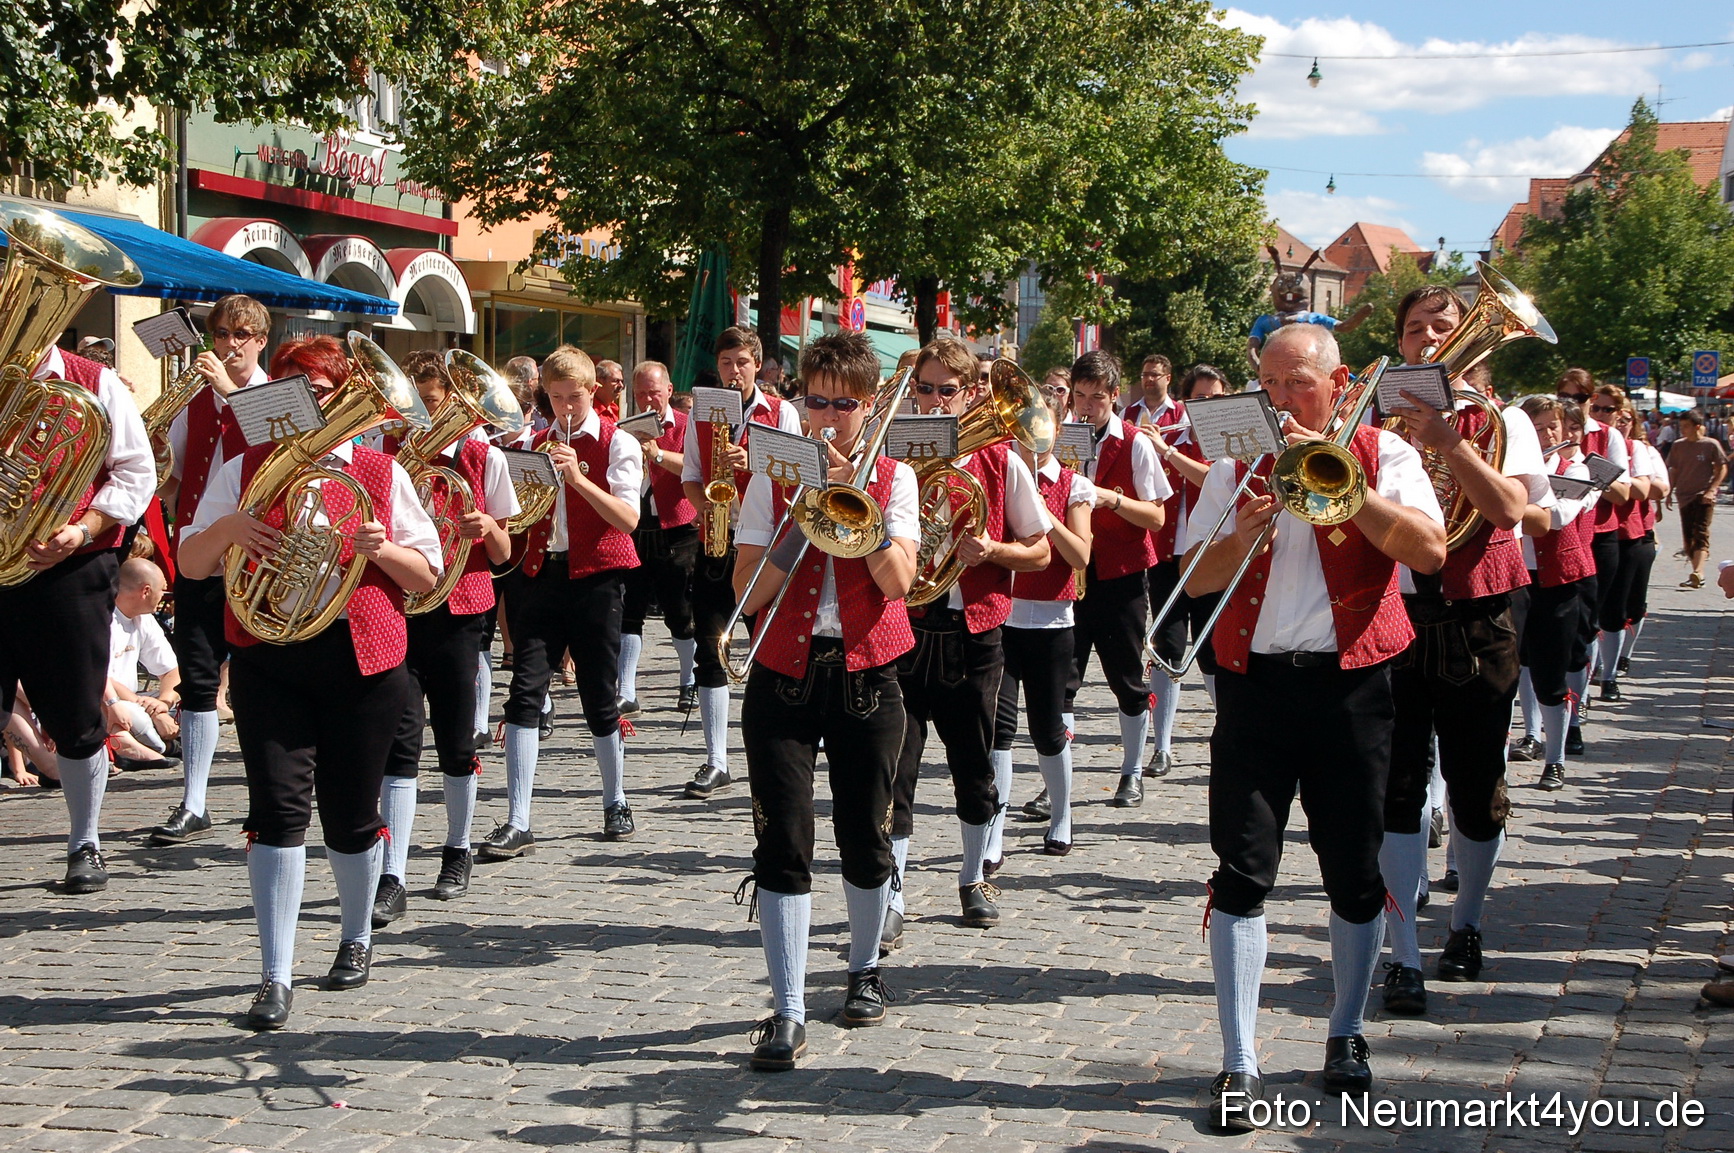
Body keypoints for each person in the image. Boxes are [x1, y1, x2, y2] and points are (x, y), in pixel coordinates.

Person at [1189, 324, 1445, 1129]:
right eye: (1269, 382)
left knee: (1354, 870)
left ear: (1336, 385)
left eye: (1298, 382)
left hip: (1351, 687)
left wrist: (1347, 491)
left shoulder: (1383, 453)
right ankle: (1239, 1060)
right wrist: (1243, 529)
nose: (1281, 398)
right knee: (1242, 867)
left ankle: (1347, 1030)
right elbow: (1196, 577)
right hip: (1255, 687)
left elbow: (1431, 552)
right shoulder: (1236, 465)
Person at [178, 334, 442, 1030]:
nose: (310, 404)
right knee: (275, 812)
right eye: (295, 391)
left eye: (322, 391)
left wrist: (381, 548)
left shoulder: (383, 474)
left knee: (352, 816)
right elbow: (193, 564)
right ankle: (274, 974)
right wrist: (232, 525)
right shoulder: (245, 465)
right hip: (269, 655)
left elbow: (429, 574)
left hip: (364, 658)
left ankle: (356, 936)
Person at [733, 330, 920, 1071]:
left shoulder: (897, 478)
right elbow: (749, 589)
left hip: (867, 672)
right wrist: (800, 515)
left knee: (866, 834)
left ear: (868, 408)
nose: (829, 417)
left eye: (844, 405)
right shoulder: (772, 474)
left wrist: (855, 506)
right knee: (782, 838)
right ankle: (785, 1007)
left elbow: (898, 579)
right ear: (800, 401)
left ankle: (865, 968)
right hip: (783, 668)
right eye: (817, 402)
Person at [1377, 284, 1553, 1021]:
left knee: (1476, 783)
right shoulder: (1378, 411)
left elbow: (1515, 511)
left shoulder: (1504, 418)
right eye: (1416, 328)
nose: (1429, 339)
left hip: (1478, 614)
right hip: (1394, 611)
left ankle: (1467, 921)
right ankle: (1403, 951)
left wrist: (1449, 441)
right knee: (1395, 785)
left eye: (1444, 327)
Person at [887, 336, 1051, 944]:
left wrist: (992, 550)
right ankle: (892, 891)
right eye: (923, 389)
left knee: (974, 762)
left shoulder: (1003, 460)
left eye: (945, 391)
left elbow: (1040, 551)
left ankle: (973, 876)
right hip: (905, 625)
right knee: (896, 767)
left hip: (973, 631)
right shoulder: (893, 454)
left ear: (972, 394)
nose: (932, 401)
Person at [0, 331, 153, 891]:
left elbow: (136, 471)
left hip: (70, 568)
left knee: (73, 711)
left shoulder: (95, 382)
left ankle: (84, 839)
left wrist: (83, 527)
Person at [373, 351, 520, 924]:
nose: (425, 416)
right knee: (400, 742)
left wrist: (487, 528)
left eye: (434, 404)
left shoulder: (486, 458)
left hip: (460, 610)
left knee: (458, 741)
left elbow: (505, 555)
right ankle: (393, 871)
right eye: (418, 404)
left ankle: (456, 848)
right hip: (403, 609)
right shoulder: (386, 455)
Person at [480, 345, 642, 855]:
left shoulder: (619, 444)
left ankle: (615, 798)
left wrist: (577, 479)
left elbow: (628, 519)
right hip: (541, 576)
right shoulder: (534, 441)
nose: (567, 408)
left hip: (598, 578)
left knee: (599, 694)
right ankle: (517, 817)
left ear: (593, 392)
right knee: (525, 691)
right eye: (556, 399)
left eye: (575, 397)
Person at [151, 294, 274, 848]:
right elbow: (171, 475)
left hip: (260, 554)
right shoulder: (194, 399)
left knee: (258, 681)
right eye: (222, 334)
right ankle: (194, 800)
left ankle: (266, 795)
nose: (230, 345)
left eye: (242, 335)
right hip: (199, 550)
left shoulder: (278, 395)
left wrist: (231, 394)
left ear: (261, 340)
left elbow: (283, 453)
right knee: (198, 678)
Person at [680, 327, 803, 801]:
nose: (735, 371)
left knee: (771, 644)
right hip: (718, 538)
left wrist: (751, 456)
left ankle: (779, 750)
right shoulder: (702, 412)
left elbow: (796, 473)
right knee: (711, 646)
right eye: (727, 363)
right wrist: (710, 512)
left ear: (758, 364)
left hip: (767, 541)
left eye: (742, 363)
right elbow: (692, 474)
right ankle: (716, 759)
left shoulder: (783, 412)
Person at [1063, 351, 1171, 807]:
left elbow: (1158, 517)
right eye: (1080, 397)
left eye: (1097, 399)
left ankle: (1131, 772)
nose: (1086, 407)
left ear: (1113, 396)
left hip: (1120, 576)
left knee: (1126, 679)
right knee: (1061, 682)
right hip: (1070, 571)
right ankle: (1057, 783)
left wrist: (1111, 499)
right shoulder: (1062, 437)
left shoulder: (1135, 443)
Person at [990, 434, 1093, 860]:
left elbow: (1081, 555)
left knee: (1048, 730)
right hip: (1002, 617)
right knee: (999, 730)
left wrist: (1044, 514)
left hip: (1052, 623)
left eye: (1041, 432)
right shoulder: (1004, 474)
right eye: (1023, 435)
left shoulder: (1074, 485)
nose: (1032, 443)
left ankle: (1062, 816)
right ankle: (992, 830)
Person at [1510, 396, 1596, 791]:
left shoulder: (1575, 467)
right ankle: (1530, 734)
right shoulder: (1511, 466)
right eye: (1538, 427)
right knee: (1520, 665)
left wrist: (1505, 501)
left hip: (1559, 580)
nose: (1546, 435)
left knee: (1551, 672)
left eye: (1552, 428)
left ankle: (1556, 758)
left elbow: (1558, 517)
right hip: (1515, 577)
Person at [617, 361, 698, 717]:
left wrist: (658, 454)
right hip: (637, 525)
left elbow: (695, 468)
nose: (648, 399)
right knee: (629, 608)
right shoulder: (622, 430)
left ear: (668, 390)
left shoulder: (686, 425)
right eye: (640, 393)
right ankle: (626, 690)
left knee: (678, 609)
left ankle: (688, 680)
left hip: (678, 527)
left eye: (654, 391)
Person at [105, 557, 182, 772]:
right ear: (146, 591)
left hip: (137, 700)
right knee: (138, 717)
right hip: (111, 702)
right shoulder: (105, 620)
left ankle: (164, 743)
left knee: (196, 704)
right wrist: (154, 712)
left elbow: (171, 670)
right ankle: (161, 746)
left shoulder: (143, 618)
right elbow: (101, 677)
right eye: (162, 591)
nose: (164, 597)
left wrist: (164, 702)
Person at [1667, 410, 1726, 590]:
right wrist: (1669, 491)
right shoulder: (1678, 445)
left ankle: (1698, 572)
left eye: (1686, 426)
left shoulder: (1710, 444)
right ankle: (1696, 575)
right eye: (1681, 426)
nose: (1682, 430)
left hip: (1703, 495)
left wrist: (1712, 489)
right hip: (1684, 495)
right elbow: (1674, 469)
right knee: (1688, 538)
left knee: (1700, 532)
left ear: (1697, 426)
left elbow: (1721, 468)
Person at [1120, 354, 1173, 427]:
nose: (1149, 379)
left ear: (1168, 379)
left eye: (1154, 375)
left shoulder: (1180, 413)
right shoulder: (1126, 413)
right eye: (1145, 375)